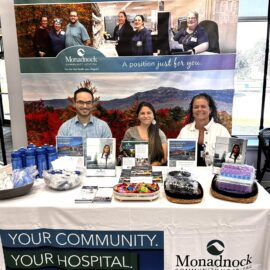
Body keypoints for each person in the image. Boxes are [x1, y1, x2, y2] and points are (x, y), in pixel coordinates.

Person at [177, 93, 230, 166]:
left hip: (214, 175)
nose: (199, 109)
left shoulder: (221, 131)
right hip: (188, 175)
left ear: (210, 110)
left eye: (203, 106)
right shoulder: (184, 131)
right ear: (192, 111)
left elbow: (228, 159)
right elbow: (177, 157)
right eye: (196, 107)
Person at [122, 101, 167, 166]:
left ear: (153, 115)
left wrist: (155, 165)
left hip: (153, 170)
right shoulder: (130, 132)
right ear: (138, 116)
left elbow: (164, 159)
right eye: (142, 113)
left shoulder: (160, 133)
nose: (146, 116)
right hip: (133, 170)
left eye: (149, 113)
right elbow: (123, 153)